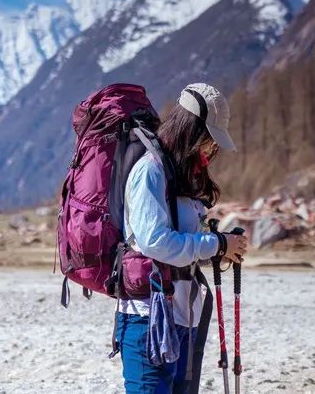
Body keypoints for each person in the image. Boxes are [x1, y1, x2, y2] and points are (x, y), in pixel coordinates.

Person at [115, 82, 248, 394]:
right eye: (209, 140)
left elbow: (183, 242)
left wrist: (218, 247)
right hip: (148, 318)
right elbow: (155, 241)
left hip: (182, 315)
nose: (212, 149)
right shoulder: (150, 171)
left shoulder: (178, 176)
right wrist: (218, 245)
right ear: (191, 131)